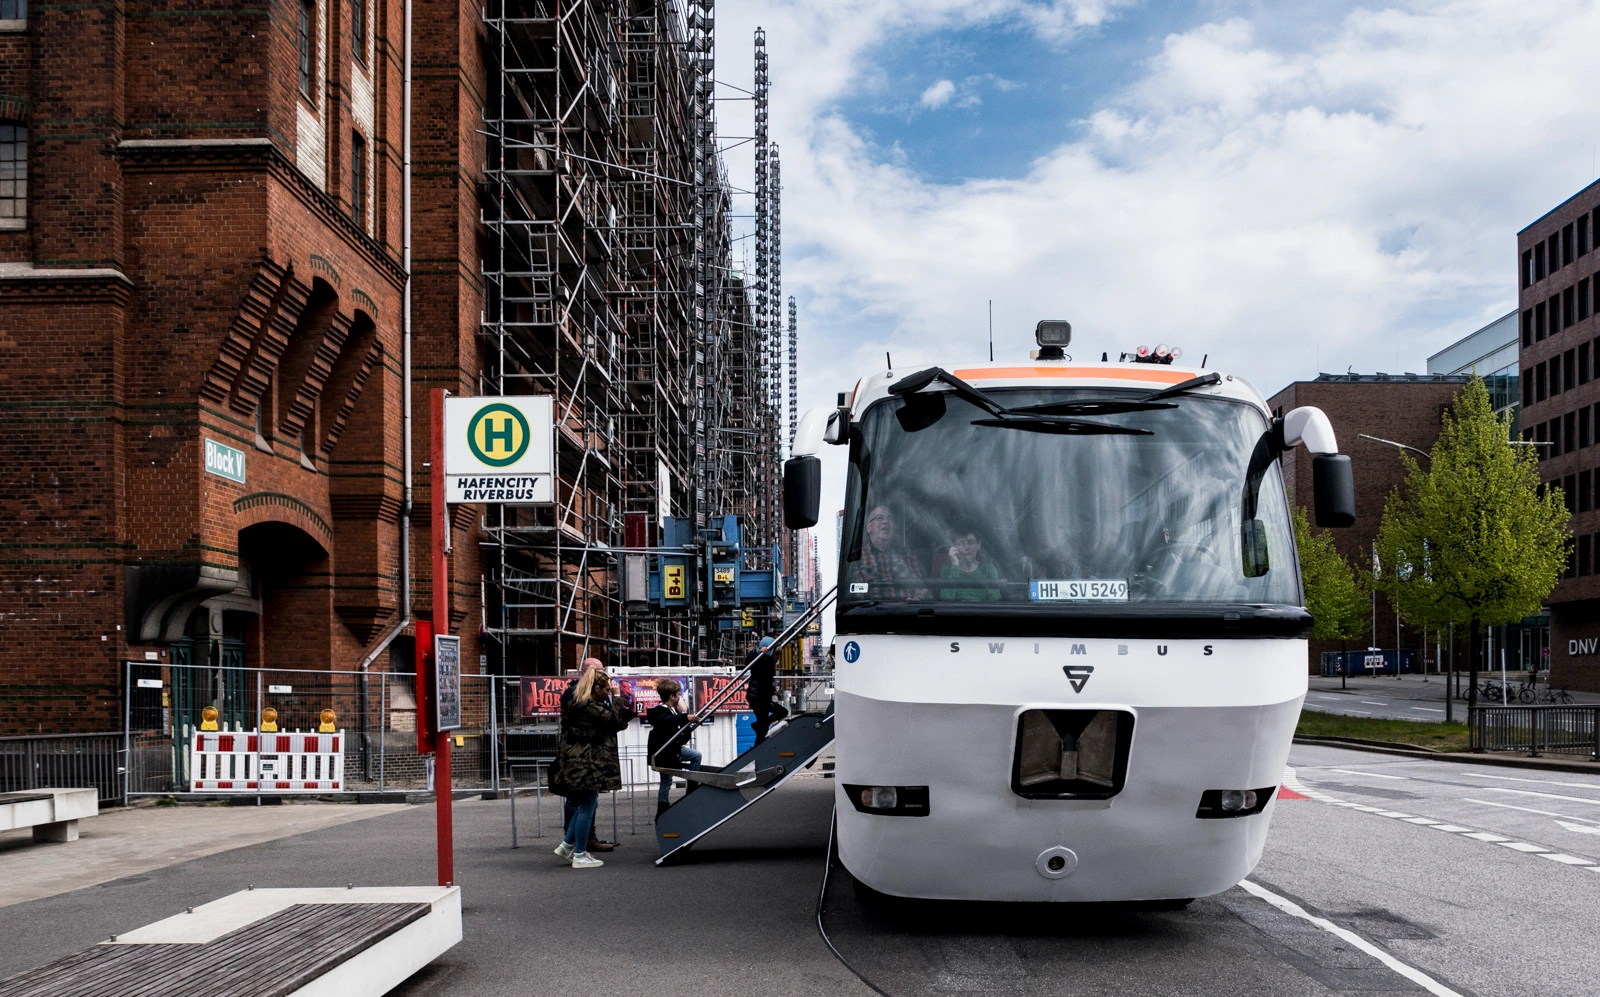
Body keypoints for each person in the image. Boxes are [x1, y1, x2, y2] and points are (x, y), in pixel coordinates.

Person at [549, 661, 635, 869]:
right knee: (586, 807)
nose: (608, 693)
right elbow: (614, 721)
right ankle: (579, 854)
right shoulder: (589, 706)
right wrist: (617, 697)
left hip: (578, 761)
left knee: (583, 806)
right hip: (586, 762)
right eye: (605, 689)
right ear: (595, 688)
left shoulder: (578, 702)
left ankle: (566, 845)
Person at [646, 678, 702, 817]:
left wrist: (688, 726)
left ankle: (689, 787)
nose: (680, 698)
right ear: (672, 696)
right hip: (665, 752)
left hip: (672, 749)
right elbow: (665, 721)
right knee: (666, 780)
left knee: (695, 756)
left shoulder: (672, 712)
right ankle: (665, 804)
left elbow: (679, 737)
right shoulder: (661, 710)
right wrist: (685, 717)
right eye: (678, 695)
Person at [850, 505, 928, 600]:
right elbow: (855, 599)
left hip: (907, 612)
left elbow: (924, 590)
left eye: (890, 518)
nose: (885, 522)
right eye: (879, 518)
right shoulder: (856, 558)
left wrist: (916, 601)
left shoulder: (908, 556)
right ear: (868, 527)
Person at [746, 635, 788, 746]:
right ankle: (758, 727)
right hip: (758, 698)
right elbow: (748, 661)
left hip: (762, 698)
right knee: (780, 714)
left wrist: (773, 690)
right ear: (770, 652)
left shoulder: (769, 663)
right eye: (777, 654)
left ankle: (757, 740)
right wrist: (757, 652)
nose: (778, 657)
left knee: (763, 728)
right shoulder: (760, 660)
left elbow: (766, 680)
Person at [938, 531, 1001, 601]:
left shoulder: (989, 569)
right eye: (960, 544)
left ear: (978, 545)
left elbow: (994, 601)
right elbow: (946, 600)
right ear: (954, 548)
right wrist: (955, 565)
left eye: (970, 542)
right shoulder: (946, 569)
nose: (967, 547)